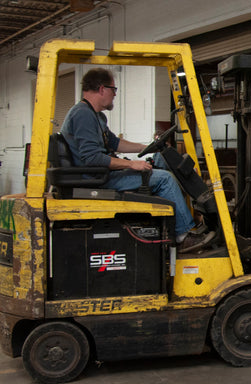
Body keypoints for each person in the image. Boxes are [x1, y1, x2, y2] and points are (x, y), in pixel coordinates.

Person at [60, 67, 214, 253]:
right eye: (113, 90)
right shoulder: (83, 114)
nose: (114, 95)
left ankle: (186, 218)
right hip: (96, 179)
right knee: (165, 179)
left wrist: (145, 147)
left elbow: (115, 143)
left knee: (160, 158)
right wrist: (132, 164)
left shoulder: (96, 116)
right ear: (102, 89)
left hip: (100, 174)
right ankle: (183, 235)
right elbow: (91, 158)